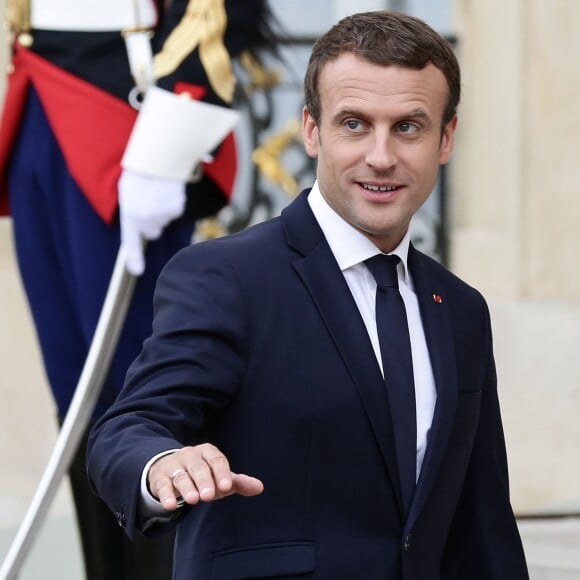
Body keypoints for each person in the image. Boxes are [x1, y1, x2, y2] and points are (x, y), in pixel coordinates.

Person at [87, 10, 529, 579]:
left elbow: (483, 525)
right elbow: (127, 427)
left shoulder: (462, 310)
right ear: (311, 130)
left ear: (446, 138)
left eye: (408, 127)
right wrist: (162, 464)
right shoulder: (226, 277)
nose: (381, 156)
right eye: (353, 124)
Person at [0, 1, 277, 578]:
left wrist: (171, 134)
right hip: (37, 93)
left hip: (121, 115)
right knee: (76, 393)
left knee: (142, 392)